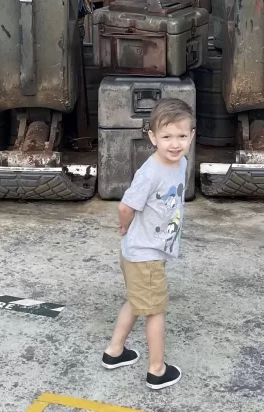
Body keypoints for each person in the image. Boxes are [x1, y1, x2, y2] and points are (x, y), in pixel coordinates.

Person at [102, 97, 194, 390]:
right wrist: (125, 226)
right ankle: (156, 369)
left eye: (182, 135)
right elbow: (127, 206)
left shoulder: (181, 163)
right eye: (166, 136)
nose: (175, 143)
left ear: (192, 135)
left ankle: (115, 351)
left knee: (136, 300)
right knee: (155, 310)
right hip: (144, 254)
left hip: (150, 249)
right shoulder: (150, 172)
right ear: (152, 137)